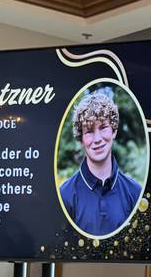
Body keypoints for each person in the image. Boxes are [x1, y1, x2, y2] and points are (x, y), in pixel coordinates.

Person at [58, 89, 143, 237]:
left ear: (114, 130)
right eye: (89, 131)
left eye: (103, 127)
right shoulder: (64, 195)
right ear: (81, 139)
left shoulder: (135, 192)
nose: (97, 139)